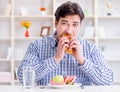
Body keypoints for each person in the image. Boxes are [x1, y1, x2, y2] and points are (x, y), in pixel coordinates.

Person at [17, 1, 113, 86]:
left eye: (75, 24)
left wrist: (82, 60)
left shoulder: (90, 48)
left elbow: (108, 80)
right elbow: (22, 77)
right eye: (64, 23)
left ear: (80, 26)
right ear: (56, 23)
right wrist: (56, 59)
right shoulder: (37, 46)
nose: (69, 30)